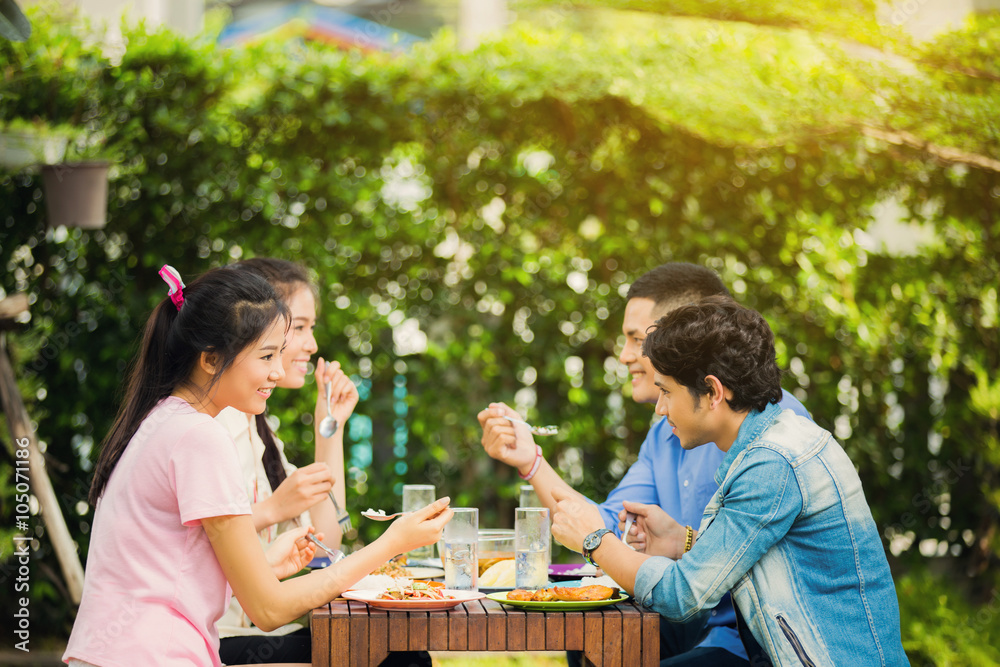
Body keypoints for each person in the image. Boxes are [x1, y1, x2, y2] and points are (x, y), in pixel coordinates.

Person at [64, 265, 451, 667]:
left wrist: (267, 564)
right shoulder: (200, 437)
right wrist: (391, 543)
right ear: (211, 360)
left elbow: (168, 569)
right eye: (267, 355)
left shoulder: (163, 420)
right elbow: (268, 611)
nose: (278, 371)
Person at [547, 296, 909, 666]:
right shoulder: (766, 442)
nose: (660, 408)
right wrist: (684, 541)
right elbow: (755, 550)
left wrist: (596, 541)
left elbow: (681, 594)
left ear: (713, 392)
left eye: (667, 392)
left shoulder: (773, 462)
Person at [478, 262, 809, 665]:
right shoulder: (667, 432)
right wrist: (531, 463)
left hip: (758, 640)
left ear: (686, 338)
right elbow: (604, 526)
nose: (623, 355)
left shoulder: (770, 439)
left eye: (637, 339)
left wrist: (599, 541)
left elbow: (681, 584)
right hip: (691, 622)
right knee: (588, 644)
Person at [215, 258, 359, 664]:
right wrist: (274, 509)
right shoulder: (214, 427)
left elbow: (325, 543)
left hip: (255, 629)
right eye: (299, 327)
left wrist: (328, 426)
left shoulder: (261, 430)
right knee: (393, 655)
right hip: (216, 637)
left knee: (394, 650)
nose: (312, 345)